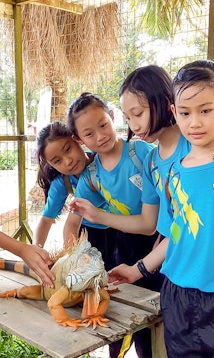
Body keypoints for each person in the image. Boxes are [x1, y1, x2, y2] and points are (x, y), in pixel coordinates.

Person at [107, 60, 214, 357]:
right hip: (178, 301)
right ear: (174, 113)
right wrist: (136, 270)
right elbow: (175, 234)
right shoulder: (172, 174)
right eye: (185, 112)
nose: (195, 122)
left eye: (205, 110)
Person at [65, 91, 165, 358]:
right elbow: (72, 222)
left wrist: (98, 216)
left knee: (153, 319)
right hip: (123, 247)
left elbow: (156, 217)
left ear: (112, 117)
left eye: (103, 125)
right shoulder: (91, 175)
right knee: (118, 319)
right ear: (78, 139)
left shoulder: (142, 153)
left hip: (156, 246)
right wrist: (68, 260)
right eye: (89, 133)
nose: (99, 136)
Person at [69, 65, 190, 242]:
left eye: (138, 114)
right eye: (128, 118)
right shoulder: (152, 161)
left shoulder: (190, 149)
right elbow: (157, 225)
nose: (134, 126)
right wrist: (142, 268)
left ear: (165, 102)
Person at [33, 121, 116, 269]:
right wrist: (36, 251)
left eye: (68, 149)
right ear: (50, 164)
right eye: (57, 161)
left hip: (122, 229)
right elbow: (46, 220)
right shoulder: (62, 183)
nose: (68, 161)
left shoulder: (106, 161)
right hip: (88, 235)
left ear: (77, 139)